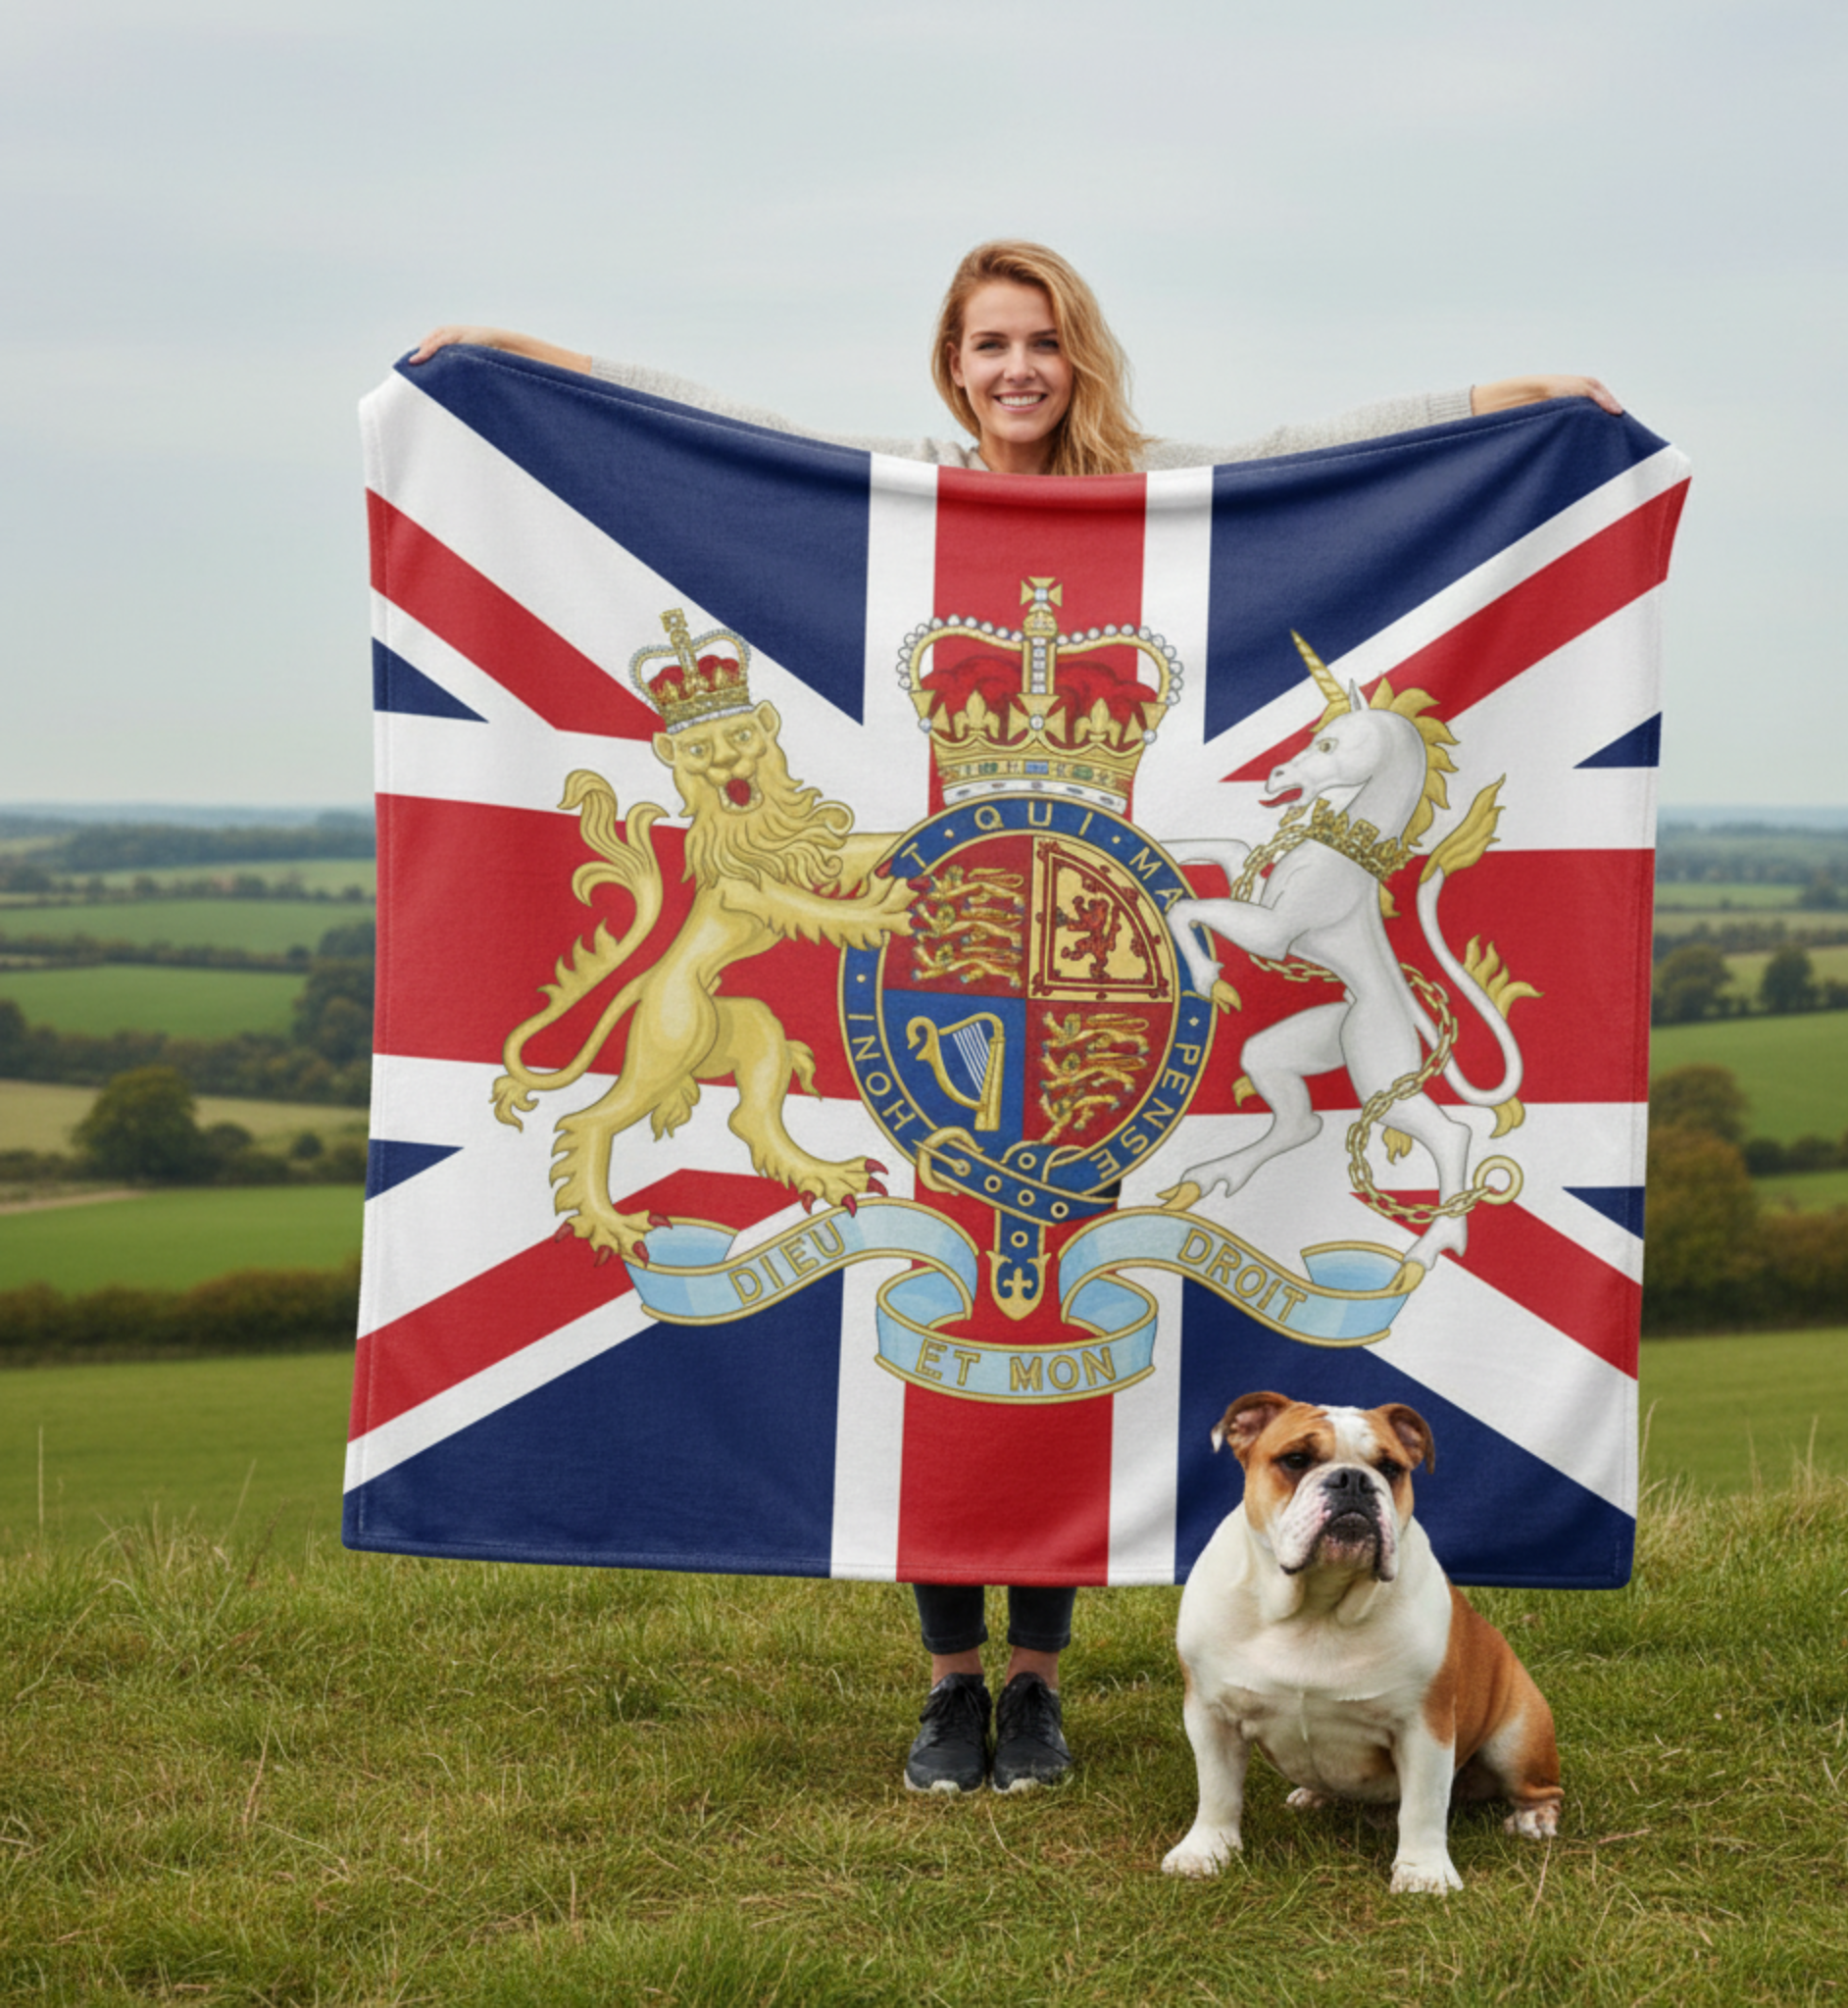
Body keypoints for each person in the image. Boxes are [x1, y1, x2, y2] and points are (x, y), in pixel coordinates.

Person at [411, 239, 1622, 1796]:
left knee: (1045, 1354)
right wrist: (540, 372)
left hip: (1104, 1063)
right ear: (952, 363)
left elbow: (1320, 464)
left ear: (1080, 355)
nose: (1015, 370)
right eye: (988, 343)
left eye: (1041, 340)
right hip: (939, 1038)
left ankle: (1037, 1689)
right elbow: (724, 442)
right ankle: (946, 1687)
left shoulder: (1164, 500)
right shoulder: (893, 505)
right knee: (931, 1370)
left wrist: (1498, 404)